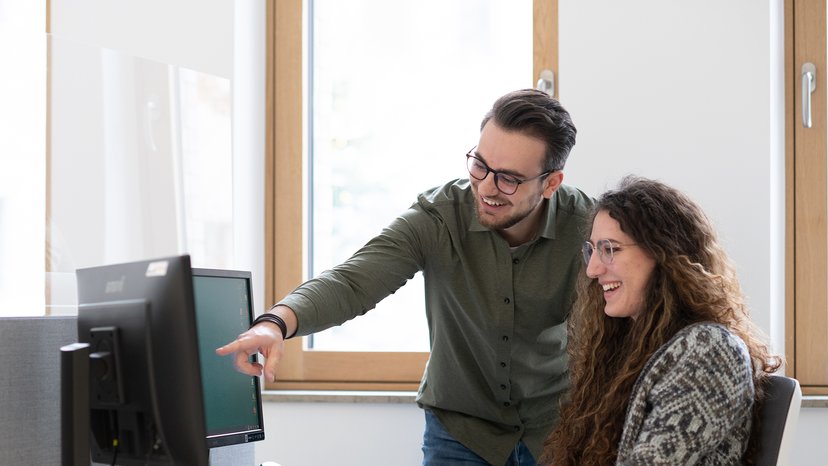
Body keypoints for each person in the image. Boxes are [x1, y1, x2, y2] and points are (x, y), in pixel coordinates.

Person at [216, 88, 594, 466]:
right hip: (461, 431)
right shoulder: (439, 217)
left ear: (550, 183)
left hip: (554, 428)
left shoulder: (588, 229)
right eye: (480, 165)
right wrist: (275, 323)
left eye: (509, 178)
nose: (487, 187)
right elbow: (355, 280)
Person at [540, 175, 781, 465]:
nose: (592, 269)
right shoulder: (631, 347)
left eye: (610, 249)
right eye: (591, 250)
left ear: (663, 253)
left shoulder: (710, 352)